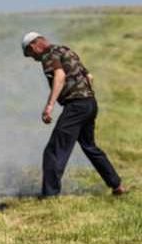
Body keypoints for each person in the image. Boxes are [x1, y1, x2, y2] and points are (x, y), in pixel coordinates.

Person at [21, 32, 127, 197]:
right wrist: (85, 97)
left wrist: (49, 106)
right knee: (90, 146)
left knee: (54, 150)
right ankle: (117, 185)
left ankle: (50, 195)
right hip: (90, 103)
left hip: (76, 106)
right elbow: (89, 77)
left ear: (34, 45)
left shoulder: (48, 54)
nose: (33, 58)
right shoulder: (65, 50)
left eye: (30, 53)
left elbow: (60, 76)